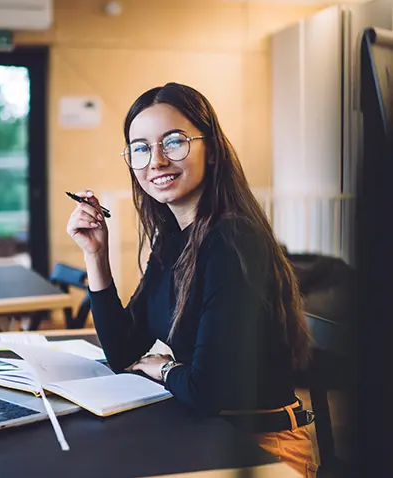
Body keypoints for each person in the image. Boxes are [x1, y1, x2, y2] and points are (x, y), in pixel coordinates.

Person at [66, 82, 317, 477]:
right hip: (211, 433)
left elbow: (206, 391)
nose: (157, 160)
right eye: (141, 148)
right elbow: (123, 352)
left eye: (174, 142)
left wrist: (161, 368)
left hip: (264, 449)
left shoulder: (233, 239)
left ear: (212, 150)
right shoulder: (173, 242)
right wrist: (95, 255)